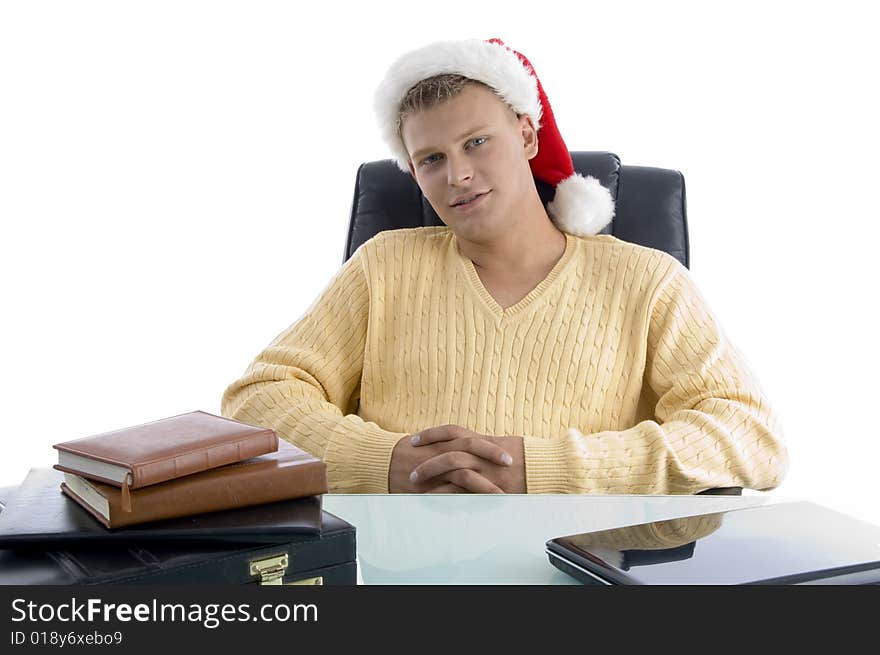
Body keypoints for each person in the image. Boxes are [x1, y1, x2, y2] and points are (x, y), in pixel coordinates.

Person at [221, 38, 789, 495]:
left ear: (524, 135)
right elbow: (258, 399)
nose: (458, 175)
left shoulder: (647, 280)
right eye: (432, 159)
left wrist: (544, 471)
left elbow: (750, 437)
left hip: (579, 582)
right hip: (397, 577)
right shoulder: (382, 267)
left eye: (477, 142)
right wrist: (385, 463)